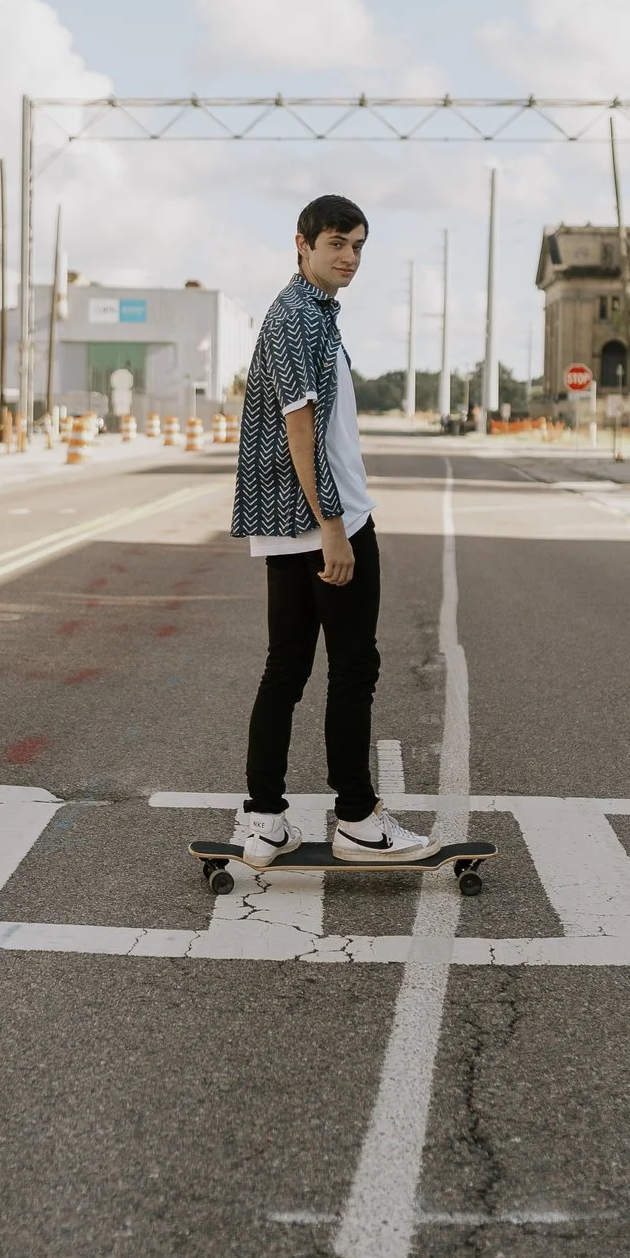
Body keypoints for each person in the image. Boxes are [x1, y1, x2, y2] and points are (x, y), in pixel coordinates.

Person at [228, 195, 433, 867]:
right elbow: (300, 428)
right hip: (325, 523)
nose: (348, 256)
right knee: (352, 669)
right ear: (303, 243)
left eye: (357, 246)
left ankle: (264, 820)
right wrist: (335, 528)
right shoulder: (297, 319)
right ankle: (356, 819)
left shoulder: (313, 314)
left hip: (295, 526)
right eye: (337, 243)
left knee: (286, 669)